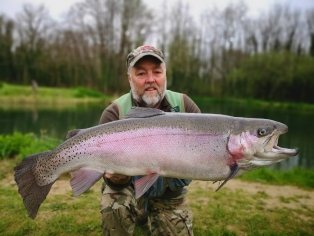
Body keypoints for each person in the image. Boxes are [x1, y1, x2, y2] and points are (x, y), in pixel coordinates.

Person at [99, 45, 201, 236]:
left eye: (157, 72)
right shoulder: (114, 113)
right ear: (130, 78)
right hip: (127, 189)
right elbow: (113, 181)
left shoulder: (185, 106)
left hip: (169, 195)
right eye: (141, 73)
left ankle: (147, 213)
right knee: (114, 207)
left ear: (165, 75)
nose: (151, 79)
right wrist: (117, 180)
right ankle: (137, 210)